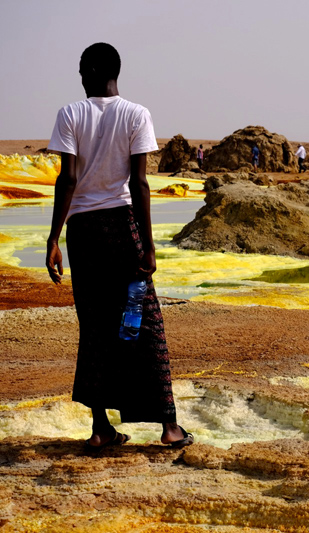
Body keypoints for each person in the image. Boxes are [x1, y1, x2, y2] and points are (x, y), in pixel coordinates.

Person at [45, 42, 193, 451]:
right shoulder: (136, 114)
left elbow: (68, 180)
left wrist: (54, 237)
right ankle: (169, 426)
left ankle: (100, 428)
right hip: (122, 226)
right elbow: (138, 183)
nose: (78, 74)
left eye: (80, 68)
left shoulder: (70, 114)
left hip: (85, 233)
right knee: (144, 321)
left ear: (94, 69)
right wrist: (148, 246)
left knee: (95, 326)